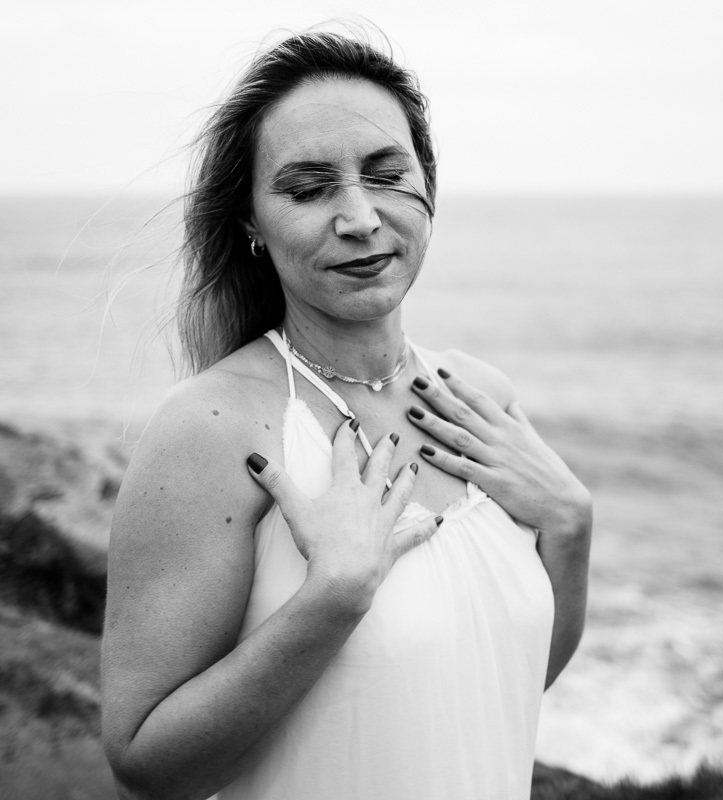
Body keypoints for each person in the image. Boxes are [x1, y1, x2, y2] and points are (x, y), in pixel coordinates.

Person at [99, 28, 592, 800]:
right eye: (307, 188)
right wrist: (331, 600)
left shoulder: (477, 397)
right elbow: (146, 763)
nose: (360, 217)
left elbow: (508, 678)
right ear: (251, 224)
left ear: (429, 183)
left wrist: (570, 529)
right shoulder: (215, 426)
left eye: (387, 174)